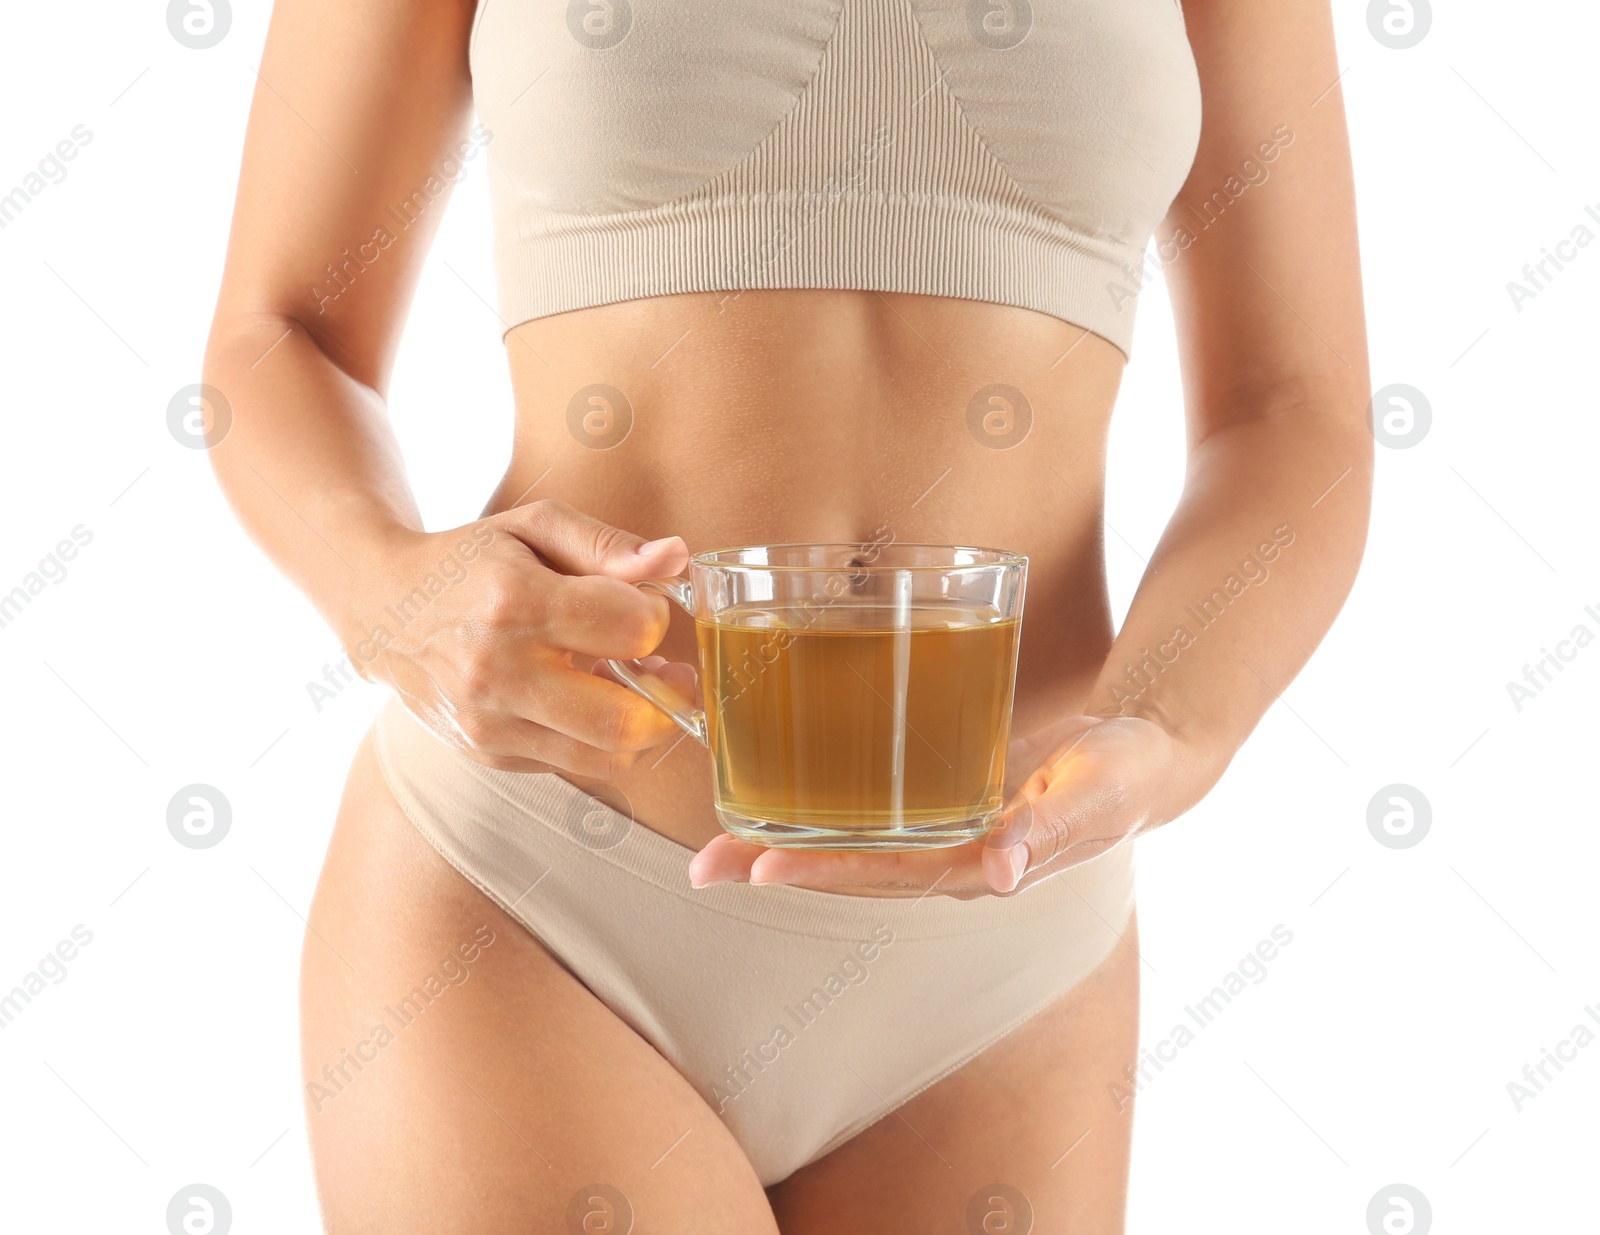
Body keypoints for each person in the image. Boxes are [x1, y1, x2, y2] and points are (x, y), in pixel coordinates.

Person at [202, 0, 1371, 1229]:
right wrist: (389, 587)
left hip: (1012, 937)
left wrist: (1168, 727)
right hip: (540, 892)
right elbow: (277, 332)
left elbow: (1296, 413)